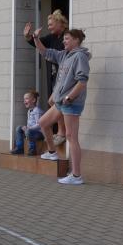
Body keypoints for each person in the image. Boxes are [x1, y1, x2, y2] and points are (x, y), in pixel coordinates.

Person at [32, 28, 91, 185]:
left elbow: (82, 82)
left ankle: (76, 176)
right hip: (61, 102)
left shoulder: (80, 57)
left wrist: (69, 97)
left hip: (71, 103)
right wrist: (36, 38)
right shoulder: (64, 55)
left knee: (71, 137)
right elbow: (45, 52)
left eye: (67, 39)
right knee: (43, 123)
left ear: (76, 40)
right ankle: (52, 152)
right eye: (63, 39)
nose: (64, 41)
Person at [24, 9, 68, 145]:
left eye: (51, 24)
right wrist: (29, 36)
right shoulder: (52, 37)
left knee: (54, 102)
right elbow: (38, 44)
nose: (48, 27)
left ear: (60, 23)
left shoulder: (67, 37)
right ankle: (60, 132)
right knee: (53, 102)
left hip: (65, 78)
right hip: (55, 77)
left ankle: (61, 132)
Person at [11, 90, 44, 155]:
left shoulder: (37, 111)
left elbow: (39, 125)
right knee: (19, 128)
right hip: (31, 131)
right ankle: (20, 148)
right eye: (24, 99)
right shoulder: (29, 111)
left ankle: (32, 149)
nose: (24, 101)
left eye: (26, 99)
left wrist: (29, 128)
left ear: (33, 100)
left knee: (28, 131)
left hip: (39, 133)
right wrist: (26, 127)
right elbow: (29, 123)